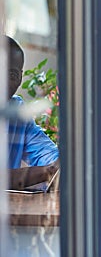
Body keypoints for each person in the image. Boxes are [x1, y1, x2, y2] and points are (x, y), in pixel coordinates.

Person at [5, 35, 59, 190]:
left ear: (21, 76)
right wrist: (48, 171)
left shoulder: (17, 113)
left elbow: (48, 156)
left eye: (13, 75)